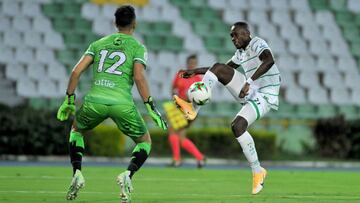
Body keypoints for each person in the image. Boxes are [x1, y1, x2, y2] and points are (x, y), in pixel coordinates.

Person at [56, 5, 167, 203]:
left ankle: (77, 173)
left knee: (76, 130)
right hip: (121, 104)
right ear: (134, 23)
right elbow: (139, 77)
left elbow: (75, 72)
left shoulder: (98, 43)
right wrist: (150, 106)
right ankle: (127, 175)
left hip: (95, 101)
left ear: (115, 23)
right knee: (144, 141)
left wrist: (69, 99)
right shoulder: (137, 47)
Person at [174, 21, 280, 195]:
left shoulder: (257, 43)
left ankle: (257, 171)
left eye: (236, 34)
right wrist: (196, 71)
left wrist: (248, 81)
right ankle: (193, 109)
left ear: (246, 33)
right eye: (231, 36)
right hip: (251, 90)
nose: (233, 38)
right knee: (218, 67)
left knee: (237, 126)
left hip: (266, 95)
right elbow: (221, 70)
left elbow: (269, 61)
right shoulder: (240, 53)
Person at [167, 54, 205, 168]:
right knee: (181, 136)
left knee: (173, 131)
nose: (192, 65)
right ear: (187, 63)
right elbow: (173, 88)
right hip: (178, 105)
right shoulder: (180, 74)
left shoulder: (198, 80)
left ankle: (177, 159)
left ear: (196, 64)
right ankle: (200, 158)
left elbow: (201, 97)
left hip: (189, 109)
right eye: (190, 63)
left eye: (194, 63)